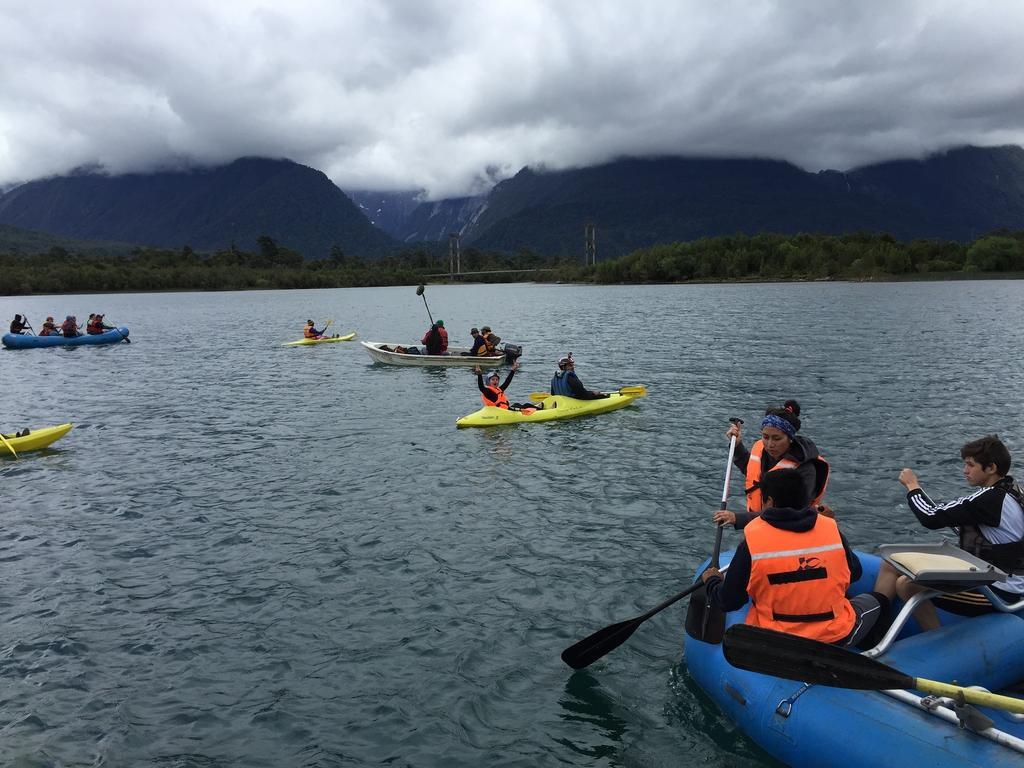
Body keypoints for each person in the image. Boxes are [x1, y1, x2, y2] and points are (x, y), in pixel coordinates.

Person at [701, 468, 885, 647]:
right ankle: (870, 648)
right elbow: (855, 573)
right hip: (834, 636)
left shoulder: (752, 542)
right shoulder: (830, 528)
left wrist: (713, 582)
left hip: (778, 639)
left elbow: (729, 600)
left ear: (770, 501)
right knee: (877, 600)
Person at [872, 435, 1024, 631]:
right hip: (997, 576)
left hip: (1000, 591)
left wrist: (912, 486)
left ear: (991, 468)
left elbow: (930, 518)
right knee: (890, 562)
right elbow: (947, 514)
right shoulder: (1011, 492)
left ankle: (936, 637)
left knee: (907, 585)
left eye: (970, 465)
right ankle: (876, 622)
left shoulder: (988, 499)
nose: (965, 471)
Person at [714, 400, 830, 531]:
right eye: (765, 437)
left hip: (788, 531)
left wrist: (738, 518)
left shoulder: (805, 470)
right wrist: (737, 446)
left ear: (790, 438)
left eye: (777, 438)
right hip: (758, 526)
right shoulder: (762, 451)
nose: (769, 444)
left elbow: (791, 513)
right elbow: (752, 471)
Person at [474, 361, 540, 411]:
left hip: (505, 411)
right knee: (526, 405)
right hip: (502, 413)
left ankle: (539, 408)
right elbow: (481, 387)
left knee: (517, 404)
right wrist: (479, 375)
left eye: (497, 379)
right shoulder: (488, 391)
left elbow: (507, 382)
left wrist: (513, 370)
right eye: (493, 379)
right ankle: (542, 411)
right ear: (488, 382)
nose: (495, 381)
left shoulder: (499, 389)